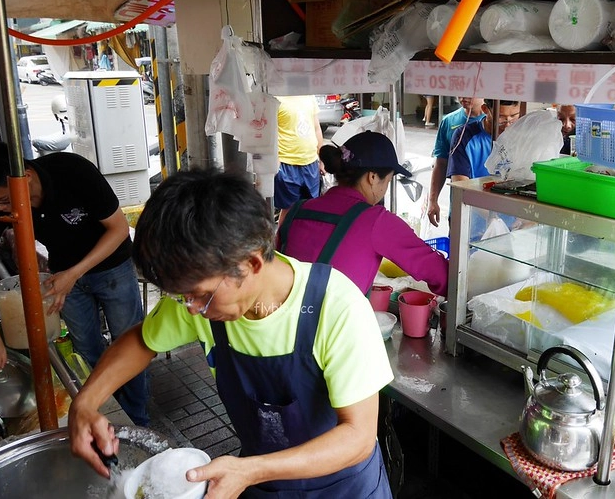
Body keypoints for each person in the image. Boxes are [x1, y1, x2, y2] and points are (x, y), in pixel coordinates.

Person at [69, 170, 394, 498]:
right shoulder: (201, 301)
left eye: (200, 295)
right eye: (182, 297)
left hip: (344, 488)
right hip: (261, 484)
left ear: (252, 263)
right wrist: (85, 402)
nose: (191, 308)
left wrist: (252, 468)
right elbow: (141, 341)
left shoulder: (335, 307)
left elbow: (358, 436)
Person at [0, 142, 149, 425]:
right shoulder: (3, 201)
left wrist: (73, 273)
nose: (3, 210)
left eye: (5, 201)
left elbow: (117, 230)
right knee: (87, 351)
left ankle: (137, 419)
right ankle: (103, 417)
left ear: (24, 176)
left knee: (129, 342)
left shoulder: (73, 171)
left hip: (112, 269)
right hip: (65, 277)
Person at [277, 131, 448, 297]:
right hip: (335, 325)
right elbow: (439, 273)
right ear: (372, 177)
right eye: (387, 181)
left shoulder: (296, 210)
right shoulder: (376, 221)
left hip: (281, 321)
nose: (385, 190)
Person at [427, 97, 485, 226]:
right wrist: (433, 200)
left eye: (470, 93)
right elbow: (441, 163)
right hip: (460, 205)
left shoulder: (495, 123)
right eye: (460, 92)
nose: (463, 98)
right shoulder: (449, 121)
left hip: (490, 205)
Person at [275, 95, 324, 223]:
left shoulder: (309, 96)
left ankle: (307, 240)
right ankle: (281, 241)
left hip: (311, 163)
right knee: (288, 209)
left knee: (312, 207)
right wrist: (276, 161)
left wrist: (322, 158)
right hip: (286, 163)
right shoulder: (276, 99)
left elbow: (317, 128)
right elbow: (269, 133)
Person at [446, 100, 522, 182]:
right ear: (485, 109)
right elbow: (459, 184)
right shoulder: (464, 136)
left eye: (513, 116)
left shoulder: (522, 136)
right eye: (500, 117)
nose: (507, 124)